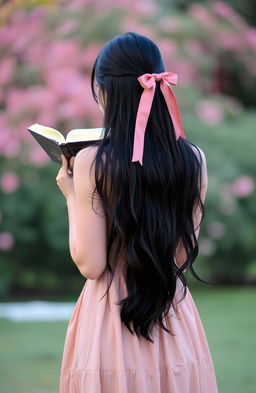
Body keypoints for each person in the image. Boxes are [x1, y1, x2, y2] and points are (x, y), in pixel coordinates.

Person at [56, 32, 219, 393]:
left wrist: (70, 194)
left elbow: (91, 265)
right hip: (173, 315)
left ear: (106, 92)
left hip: (110, 319)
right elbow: (178, 254)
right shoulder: (193, 160)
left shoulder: (92, 162)